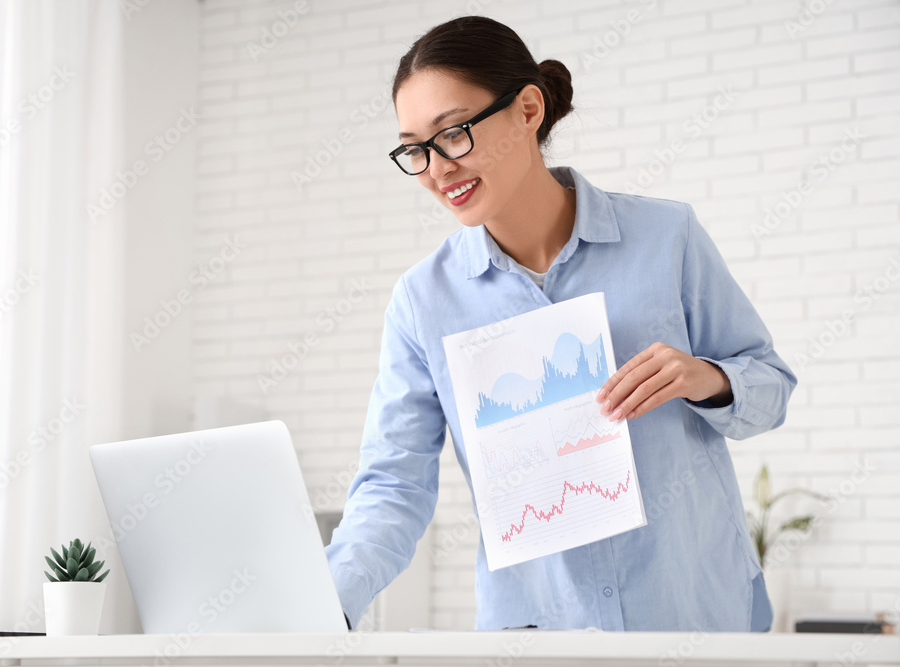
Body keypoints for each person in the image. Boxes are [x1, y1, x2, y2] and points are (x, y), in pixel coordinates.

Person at [324, 15, 796, 632]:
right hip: (538, 633)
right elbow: (393, 484)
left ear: (526, 110)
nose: (438, 170)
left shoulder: (666, 238)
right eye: (415, 148)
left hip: (693, 613)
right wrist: (326, 602)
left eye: (454, 134)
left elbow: (771, 388)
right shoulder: (423, 301)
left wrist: (703, 376)